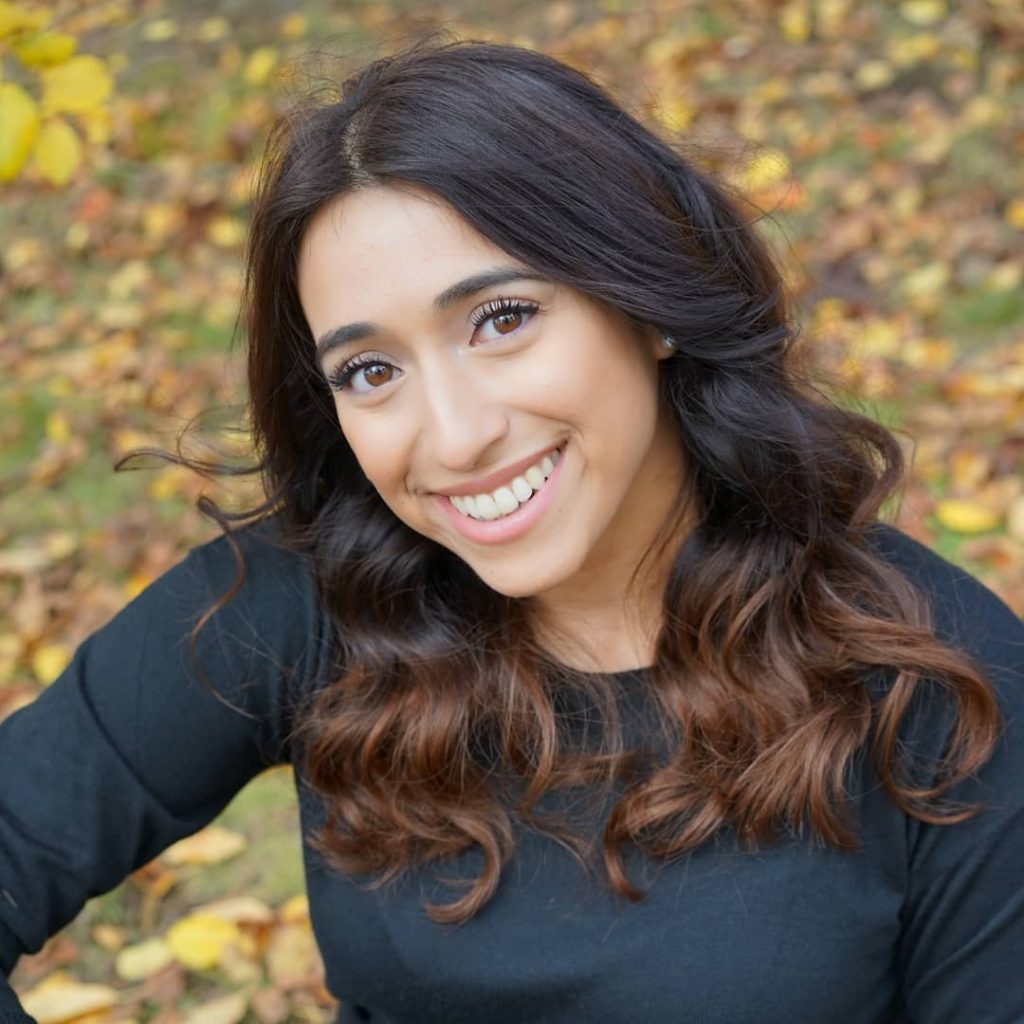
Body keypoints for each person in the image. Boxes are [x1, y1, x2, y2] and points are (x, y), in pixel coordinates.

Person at [2, 34, 1022, 1024]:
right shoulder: (307, 602)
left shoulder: (945, 692)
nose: (454, 436)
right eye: (371, 370)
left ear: (647, 297)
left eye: (501, 319)